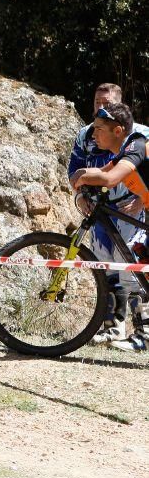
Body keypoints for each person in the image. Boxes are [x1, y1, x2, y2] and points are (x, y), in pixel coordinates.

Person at [67, 84, 149, 348]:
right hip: (115, 211)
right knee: (134, 268)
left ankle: (143, 336)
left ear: (117, 129)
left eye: (100, 128)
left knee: (139, 269)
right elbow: (103, 173)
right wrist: (81, 187)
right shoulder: (118, 149)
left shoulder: (137, 142)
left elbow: (109, 178)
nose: (95, 134)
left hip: (135, 211)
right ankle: (128, 332)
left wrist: (83, 177)